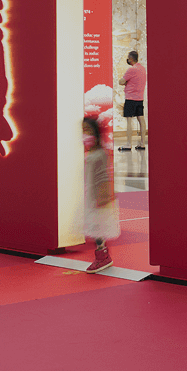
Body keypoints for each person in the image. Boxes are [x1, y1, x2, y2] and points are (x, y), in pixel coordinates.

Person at [83, 116, 118, 272]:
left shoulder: (100, 153)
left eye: (88, 130)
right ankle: (102, 255)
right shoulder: (92, 152)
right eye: (83, 131)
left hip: (98, 196)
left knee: (97, 228)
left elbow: (104, 176)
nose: (84, 134)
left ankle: (102, 256)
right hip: (90, 195)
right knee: (94, 227)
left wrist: (103, 196)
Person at [118, 50, 146, 151]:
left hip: (130, 98)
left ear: (130, 59)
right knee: (141, 120)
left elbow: (121, 81)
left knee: (129, 120)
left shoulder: (131, 70)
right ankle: (142, 144)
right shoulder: (142, 69)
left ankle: (128, 144)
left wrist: (124, 82)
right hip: (140, 98)